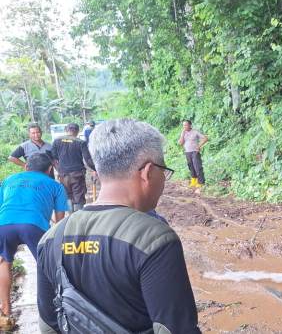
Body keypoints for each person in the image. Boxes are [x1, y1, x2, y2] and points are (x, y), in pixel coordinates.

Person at [36, 119, 200, 333]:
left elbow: (49, 326)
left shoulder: (50, 238)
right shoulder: (153, 238)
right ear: (147, 172)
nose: (164, 178)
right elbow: (176, 329)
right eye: (164, 171)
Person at [0, 154, 68, 330]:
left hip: (4, 224)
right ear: (49, 169)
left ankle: (6, 313)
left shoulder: (9, 180)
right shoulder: (55, 185)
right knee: (47, 265)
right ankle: (52, 311)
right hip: (33, 225)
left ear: (26, 167)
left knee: (4, 262)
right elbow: (60, 224)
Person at [51, 123, 95, 212]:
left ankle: (70, 216)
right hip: (77, 175)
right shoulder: (81, 142)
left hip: (63, 175)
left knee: (67, 196)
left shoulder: (56, 141)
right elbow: (88, 160)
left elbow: (53, 157)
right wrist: (95, 169)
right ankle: (77, 217)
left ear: (66, 130)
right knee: (78, 197)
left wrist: (59, 169)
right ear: (78, 131)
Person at [178, 120, 208, 188]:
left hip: (195, 151)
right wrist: (182, 134)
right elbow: (180, 143)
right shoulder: (183, 133)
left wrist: (199, 146)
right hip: (187, 152)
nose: (184, 126)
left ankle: (201, 182)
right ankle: (194, 181)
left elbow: (205, 138)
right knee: (191, 167)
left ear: (190, 125)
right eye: (183, 125)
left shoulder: (195, 132)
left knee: (197, 167)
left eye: (186, 125)